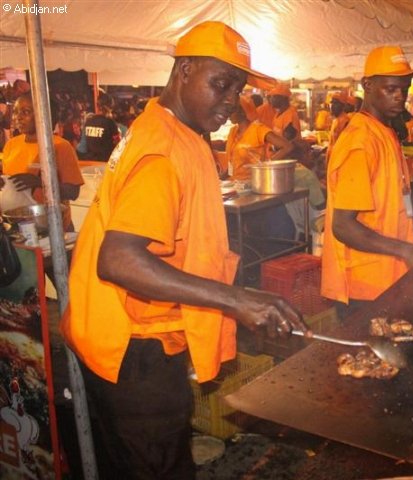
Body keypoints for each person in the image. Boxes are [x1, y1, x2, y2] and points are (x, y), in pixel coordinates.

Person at [60, 21, 307, 478]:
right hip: (132, 347)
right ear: (184, 71)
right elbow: (118, 259)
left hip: (141, 334)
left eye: (238, 89)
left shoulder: (177, 130)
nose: (232, 101)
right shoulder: (162, 149)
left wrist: (236, 307)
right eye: (220, 84)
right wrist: (237, 298)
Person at [321, 45, 413, 315]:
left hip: (392, 274)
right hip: (365, 284)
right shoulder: (360, 141)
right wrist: (406, 249)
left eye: (405, 89)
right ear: (368, 85)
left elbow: (401, 191)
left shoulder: (384, 132)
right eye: (391, 89)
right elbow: (342, 226)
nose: (400, 97)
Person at [1, 93, 84, 231]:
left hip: (53, 227)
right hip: (18, 227)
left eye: (25, 112)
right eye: (15, 112)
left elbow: (73, 192)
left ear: (43, 114)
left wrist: (39, 182)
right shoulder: (11, 145)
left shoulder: (60, 146)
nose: (18, 117)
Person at [224, 95, 293, 180]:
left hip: (253, 183)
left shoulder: (258, 130)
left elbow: (287, 147)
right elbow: (232, 160)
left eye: (232, 110)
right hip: (235, 184)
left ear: (243, 112)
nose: (229, 113)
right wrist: (221, 177)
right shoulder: (233, 131)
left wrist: (266, 165)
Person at [83, 92, 120, 161]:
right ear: (110, 107)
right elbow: (118, 143)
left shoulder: (88, 121)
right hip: (105, 161)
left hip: (90, 161)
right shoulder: (110, 122)